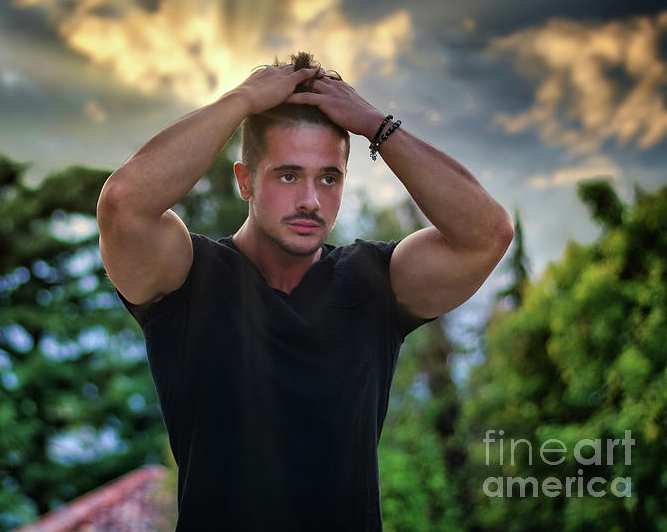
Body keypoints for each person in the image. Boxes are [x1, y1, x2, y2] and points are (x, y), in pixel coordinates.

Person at [96, 52, 514, 531]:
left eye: (329, 178)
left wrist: (376, 125)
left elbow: (489, 233)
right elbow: (124, 204)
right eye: (288, 175)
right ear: (245, 179)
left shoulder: (374, 281)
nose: (311, 201)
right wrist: (243, 100)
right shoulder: (187, 279)